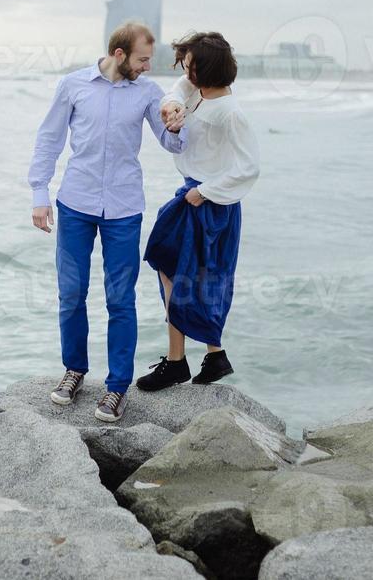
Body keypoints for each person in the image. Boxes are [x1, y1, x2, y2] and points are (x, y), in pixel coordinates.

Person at [28, 22, 184, 422]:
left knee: (120, 299)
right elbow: (50, 138)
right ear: (119, 55)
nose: (149, 67)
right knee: (71, 293)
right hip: (76, 203)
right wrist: (39, 194)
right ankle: (74, 371)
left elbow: (169, 141)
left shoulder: (148, 93)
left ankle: (116, 389)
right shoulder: (73, 85)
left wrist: (177, 125)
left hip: (124, 207)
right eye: (143, 59)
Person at [136, 31, 260, 391]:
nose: (184, 71)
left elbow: (249, 167)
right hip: (192, 195)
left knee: (189, 273)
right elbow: (179, 89)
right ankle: (210, 355)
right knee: (173, 267)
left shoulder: (229, 112)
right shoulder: (198, 93)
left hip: (207, 203)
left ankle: (182, 361)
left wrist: (205, 192)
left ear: (205, 72)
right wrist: (171, 105)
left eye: (190, 67)